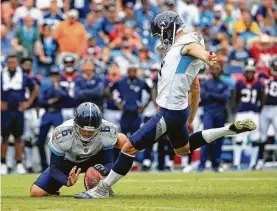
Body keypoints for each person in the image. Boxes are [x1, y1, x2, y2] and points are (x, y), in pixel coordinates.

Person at [75, 11, 256, 199]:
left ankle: (103, 188)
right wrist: (191, 118)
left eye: (162, 33)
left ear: (168, 28)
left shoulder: (187, 42)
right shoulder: (180, 52)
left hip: (170, 111)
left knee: (129, 147)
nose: (162, 38)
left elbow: (194, 48)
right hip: (179, 111)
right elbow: (195, 88)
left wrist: (206, 56)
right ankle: (228, 130)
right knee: (183, 149)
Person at [30, 102, 127, 197]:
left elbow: (109, 162)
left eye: (91, 131)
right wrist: (66, 181)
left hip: (96, 158)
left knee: (122, 139)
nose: (87, 134)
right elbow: (54, 168)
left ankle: (104, 186)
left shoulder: (108, 129)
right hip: (69, 163)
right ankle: (53, 189)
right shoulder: (62, 133)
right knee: (36, 192)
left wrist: (104, 170)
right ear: (75, 125)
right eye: (83, 130)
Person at [1, 55, 39, 174]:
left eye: (14, 62)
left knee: (18, 138)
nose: (11, 65)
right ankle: (3, 162)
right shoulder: (2, 75)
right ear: (7, 63)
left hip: (18, 110)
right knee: (5, 138)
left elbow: (35, 89)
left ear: (17, 63)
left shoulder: (23, 76)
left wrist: (28, 103)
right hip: (5, 111)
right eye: (9, 62)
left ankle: (19, 163)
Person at [233, 58, 265, 170]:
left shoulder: (259, 83)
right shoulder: (240, 82)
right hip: (242, 113)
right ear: (244, 72)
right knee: (238, 138)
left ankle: (253, 163)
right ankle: (236, 163)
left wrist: (257, 110)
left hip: (253, 113)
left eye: (251, 71)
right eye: (248, 71)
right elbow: (236, 98)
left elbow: (262, 99)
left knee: (255, 138)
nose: (249, 74)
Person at [198, 63, 230, 172]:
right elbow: (203, 96)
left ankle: (216, 164)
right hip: (208, 113)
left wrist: (211, 95)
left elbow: (225, 97)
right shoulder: (206, 83)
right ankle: (201, 164)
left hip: (220, 114)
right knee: (206, 137)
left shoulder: (224, 84)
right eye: (214, 69)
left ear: (220, 71)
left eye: (217, 69)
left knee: (219, 139)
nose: (215, 71)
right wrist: (217, 96)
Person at [36, 67, 69, 171]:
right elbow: (41, 101)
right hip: (47, 114)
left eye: (56, 75)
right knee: (40, 140)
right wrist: (50, 101)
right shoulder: (47, 89)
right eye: (52, 76)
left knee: (58, 140)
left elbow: (66, 97)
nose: (54, 78)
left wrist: (57, 88)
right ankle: (43, 164)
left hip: (57, 113)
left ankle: (56, 165)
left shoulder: (62, 88)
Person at [257, 55, 277, 170]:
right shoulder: (263, 76)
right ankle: (260, 160)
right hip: (265, 109)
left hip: (276, 108)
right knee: (262, 136)